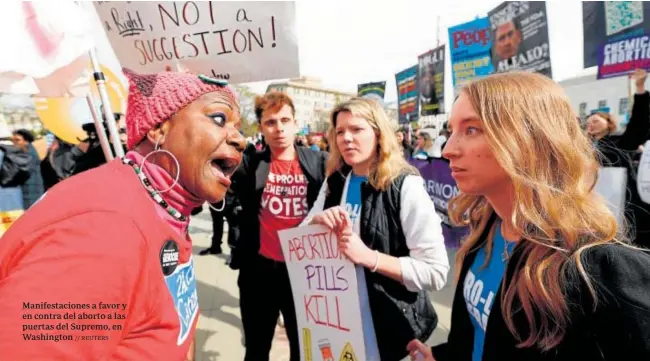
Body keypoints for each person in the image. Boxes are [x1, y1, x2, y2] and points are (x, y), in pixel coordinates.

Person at [0, 70, 246, 360]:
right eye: (218, 118)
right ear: (159, 128)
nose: (240, 139)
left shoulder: (162, 205)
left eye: (237, 126)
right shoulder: (105, 229)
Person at [407, 72, 650, 361]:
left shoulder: (602, 270)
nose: (448, 150)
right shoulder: (489, 226)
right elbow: (480, 333)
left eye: (471, 129)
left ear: (530, 137)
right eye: (452, 130)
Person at [304, 98, 450, 361]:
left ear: (378, 134)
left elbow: (435, 272)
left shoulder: (405, 186)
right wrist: (318, 221)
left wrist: (370, 258)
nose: (346, 138)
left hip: (392, 329)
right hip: (340, 323)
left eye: (357, 129)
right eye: (340, 132)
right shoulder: (335, 180)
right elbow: (304, 231)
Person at [229, 91, 328, 361]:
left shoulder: (318, 162)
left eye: (285, 120)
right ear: (261, 127)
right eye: (271, 122)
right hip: (259, 272)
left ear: (296, 123)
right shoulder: (252, 164)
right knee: (257, 349)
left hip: (304, 274)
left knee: (304, 349)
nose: (279, 128)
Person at [586, 68, 650, 249]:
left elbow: (639, 124)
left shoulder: (618, 142)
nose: (591, 124)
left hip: (622, 207)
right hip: (594, 206)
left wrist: (639, 88)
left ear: (609, 122)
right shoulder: (582, 147)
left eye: (596, 120)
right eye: (589, 121)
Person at [11, 129, 44, 209]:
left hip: (31, 195)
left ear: (26, 141)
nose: (14, 143)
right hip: (27, 194)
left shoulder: (29, 155)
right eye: (13, 140)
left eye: (18, 140)